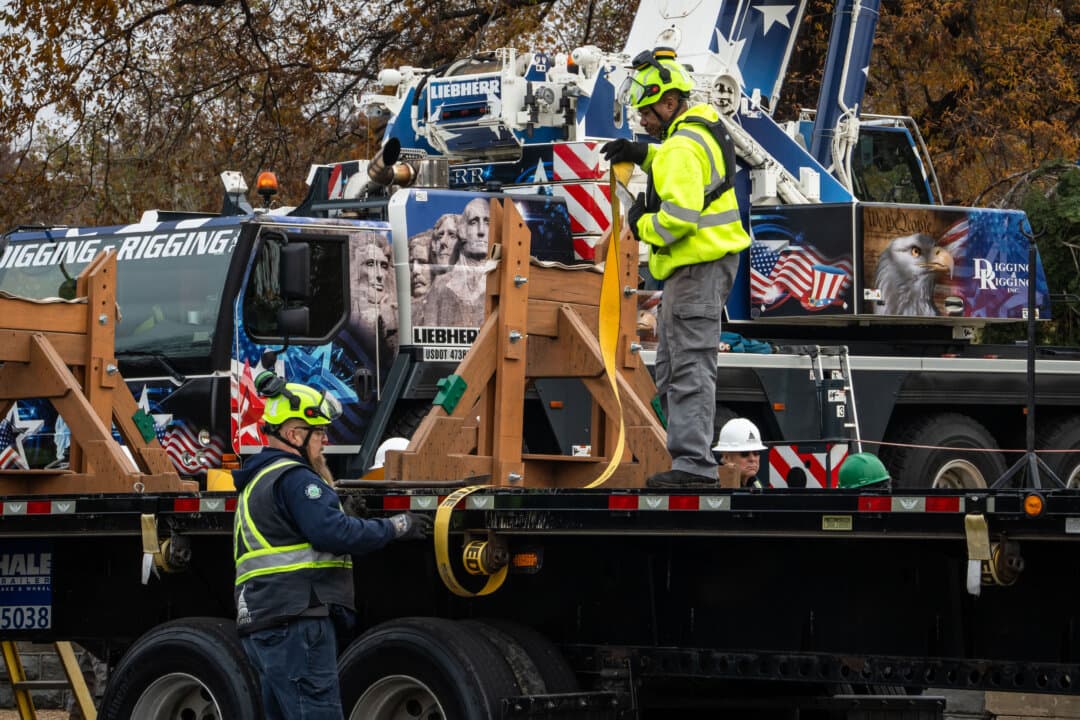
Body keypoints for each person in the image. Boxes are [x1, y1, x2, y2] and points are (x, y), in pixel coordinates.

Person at [233, 376, 433, 719]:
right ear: (295, 435)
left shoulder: (259, 479)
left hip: (265, 619)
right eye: (319, 431)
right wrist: (398, 526)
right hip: (296, 621)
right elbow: (333, 534)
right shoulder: (296, 479)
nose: (325, 440)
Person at [602, 47, 752, 489]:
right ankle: (689, 460)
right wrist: (641, 152)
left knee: (688, 367)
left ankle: (694, 467)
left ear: (669, 103)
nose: (643, 121)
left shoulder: (680, 148)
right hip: (702, 267)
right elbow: (675, 160)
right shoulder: (697, 128)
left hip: (696, 267)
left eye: (648, 112)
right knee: (675, 364)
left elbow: (679, 219)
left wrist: (640, 222)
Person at [425, 198, 492, 327]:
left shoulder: (500, 283)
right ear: (462, 230)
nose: (481, 231)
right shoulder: (440, 285)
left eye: (487, 223)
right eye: (474, 222)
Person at [713, 417, 769, 490]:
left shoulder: (754, 482)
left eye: (756, 453)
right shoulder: (719, 488)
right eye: (744, 454)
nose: (752, 459)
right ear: (726, 457)